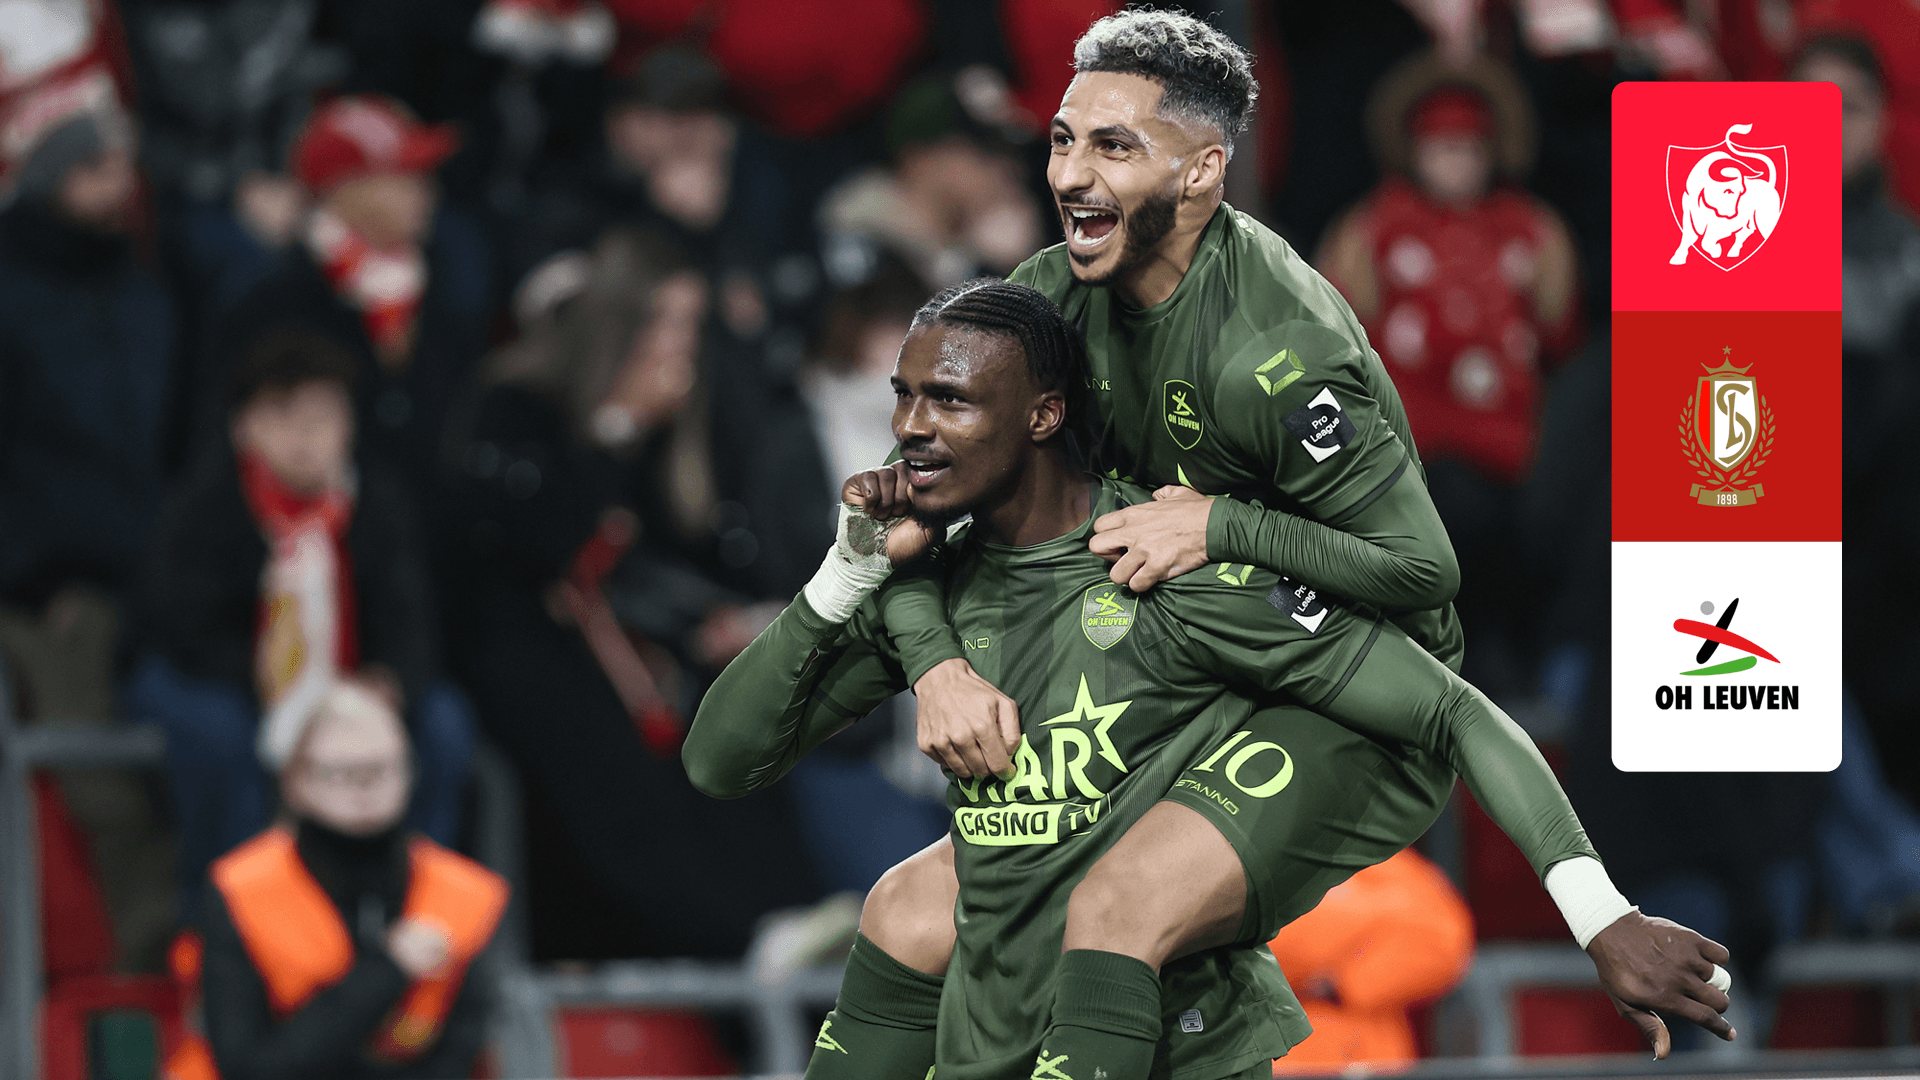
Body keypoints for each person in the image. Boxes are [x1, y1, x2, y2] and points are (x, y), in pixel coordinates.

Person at [686, 279, 1736, 1080]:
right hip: (1001, 1028)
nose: (912, 428)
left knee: (1087, 901)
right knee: (905, 908)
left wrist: (1601, 915)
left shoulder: (1166, 560)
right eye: (905, 396)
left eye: (950, 400)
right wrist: (843, 578)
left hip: (1170, 1042)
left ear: (1043, 416)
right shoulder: (935, 585)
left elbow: (1448, 707)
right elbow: (720, 761)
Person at [443, 228, 826, 958]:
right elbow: (540, 542)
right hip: (521, 640)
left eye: (688, 324)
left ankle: (787, 921)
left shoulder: (676, 428)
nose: (676, 344)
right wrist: (614, 426)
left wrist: (723, 620)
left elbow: (677, 550)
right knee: (606, 754)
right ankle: (722, 939)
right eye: (660, 321)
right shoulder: (517, 402)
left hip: (631, 645)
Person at [129, 330, 475, 905]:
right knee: (222, 737)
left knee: (444, 724)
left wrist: (385, 684)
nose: (306, 436)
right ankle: (233, 912)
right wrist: (283, 689)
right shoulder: (205, 505)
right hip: (221, 680)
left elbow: (410, 620)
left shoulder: (378, 503)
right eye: (285, 416)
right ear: (244, 426)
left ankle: (420, 910)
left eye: (323, 416)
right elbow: (181, 626)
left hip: (347, 682)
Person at [1316, 54, 1581, 692]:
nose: (1456, 164)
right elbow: (1332, 334)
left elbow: (1558, 330)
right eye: (1442, 150)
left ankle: (1514, 658)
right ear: (1414, 152)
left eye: (1468, 150)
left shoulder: (1532, 229)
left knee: (1533, 529)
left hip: (1515, 441)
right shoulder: (1372, 228)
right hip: (1412, 441)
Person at [180, 678, 506, 1080]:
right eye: (339, 772)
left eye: (379, 769)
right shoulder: (239, 890)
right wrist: (387, 971)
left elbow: (459, 1058)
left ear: (409, 773)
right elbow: (249, 1067)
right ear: (293, 782)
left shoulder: (463, 894)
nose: (363, 789)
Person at [199, 94, 490, 502]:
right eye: (403, 175)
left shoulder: (442, 285)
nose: (425, 192)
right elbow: (220, 440)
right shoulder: (270, 300)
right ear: (341, 187)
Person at [1266, 848, 1473, 1073]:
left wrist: (1341, 984)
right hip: (1273, 1054)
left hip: (1370, 1057)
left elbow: (1444, 940)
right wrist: (1370, 929)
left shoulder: (1369, 851)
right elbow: (1265, 935)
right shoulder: (1254, 853)